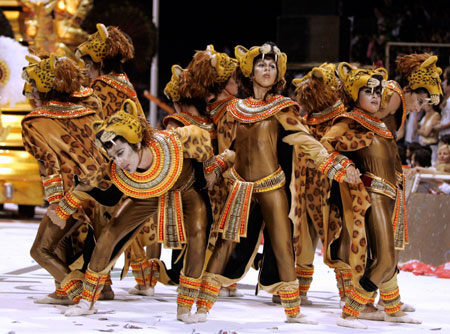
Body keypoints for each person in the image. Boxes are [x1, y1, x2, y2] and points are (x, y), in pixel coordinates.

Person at [195, 42, 358, 324]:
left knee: (283, 247)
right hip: (241, 187)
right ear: (250, 71)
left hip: (272, 188)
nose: (267, 69)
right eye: (261, 65)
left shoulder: (283, 107)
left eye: (271, 65)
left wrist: (333, 165)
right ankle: (200, 307)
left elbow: (305, 140)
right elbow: (236, 148)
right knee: (224, 245)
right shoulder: (238, 108)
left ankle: (293, 312)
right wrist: (218, 165)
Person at [49, 99, 214, 322]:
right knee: (111, 231)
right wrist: (64, 209)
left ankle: (185, 308)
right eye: (113, 156)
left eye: (121, 152)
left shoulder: (173, 140)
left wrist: (211, 169)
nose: (119, 161)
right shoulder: (120, 170)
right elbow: (92, 184)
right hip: (148, 192)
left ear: (137, 143)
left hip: (186, 189)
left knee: (197, 233)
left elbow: (201, 137)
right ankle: (87, 301)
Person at [330, 62, 421, 329]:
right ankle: (351, 311)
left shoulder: (379, 125)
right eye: (368, 91)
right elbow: (324, 147)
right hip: (373, 196)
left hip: (390, 195)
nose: (374, 95)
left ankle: (393, 309)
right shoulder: (350, 121)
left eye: (378, 91)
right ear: (355, 95)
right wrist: (344, 167)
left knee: (390, 256)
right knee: (384, 259)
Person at [21, 54, 114, 304]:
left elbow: (48, 164)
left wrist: (55, 203)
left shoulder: (35, 121)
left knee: (40, 250)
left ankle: (74, 295)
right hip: (104, 191)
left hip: (72, 194)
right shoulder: (89, 111)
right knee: (86, 242)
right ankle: (101, 288)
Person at [290, 63, 363, 307]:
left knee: (340, 238)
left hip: (335, 190)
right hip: (304, 188)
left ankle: (347, 293)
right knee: (303, 240)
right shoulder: (305, 120)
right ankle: (299, 291)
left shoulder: (343, 120)